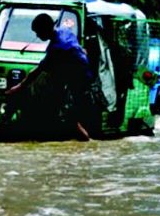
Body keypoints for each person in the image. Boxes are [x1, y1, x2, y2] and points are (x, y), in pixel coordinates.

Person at [5, 12, 94, 140]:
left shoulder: (58, 47)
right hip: (80, 73)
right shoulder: (64, 30)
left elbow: (38, 70)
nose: (36, 35)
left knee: (70, 119)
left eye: (38, 32)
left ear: (45, 30)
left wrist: (20, 86)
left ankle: (87, 141)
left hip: (78, 80)